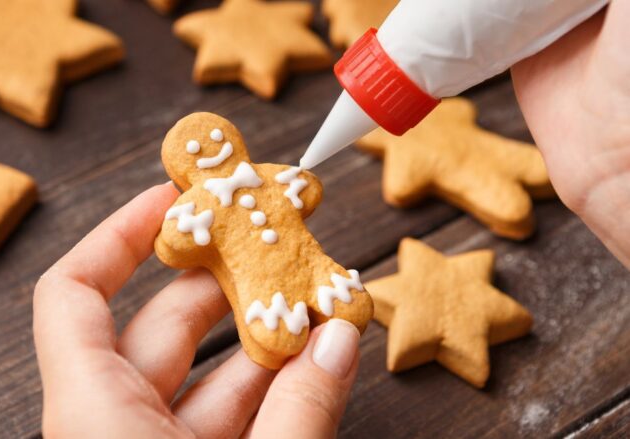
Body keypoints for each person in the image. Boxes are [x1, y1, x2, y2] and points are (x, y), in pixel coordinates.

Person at [33, 3, 627, 437]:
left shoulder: (269, 177)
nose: (210, 145)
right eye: (200, 147)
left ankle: (333, 291)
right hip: (262, 286)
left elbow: (303, 185)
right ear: (187, 163)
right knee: (272, 307)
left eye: (217, 137)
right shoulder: (199, 205)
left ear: (231, 139)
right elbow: (175, 240)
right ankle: (294, 310)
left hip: (309, 263)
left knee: (322, 274)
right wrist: (187, 226)